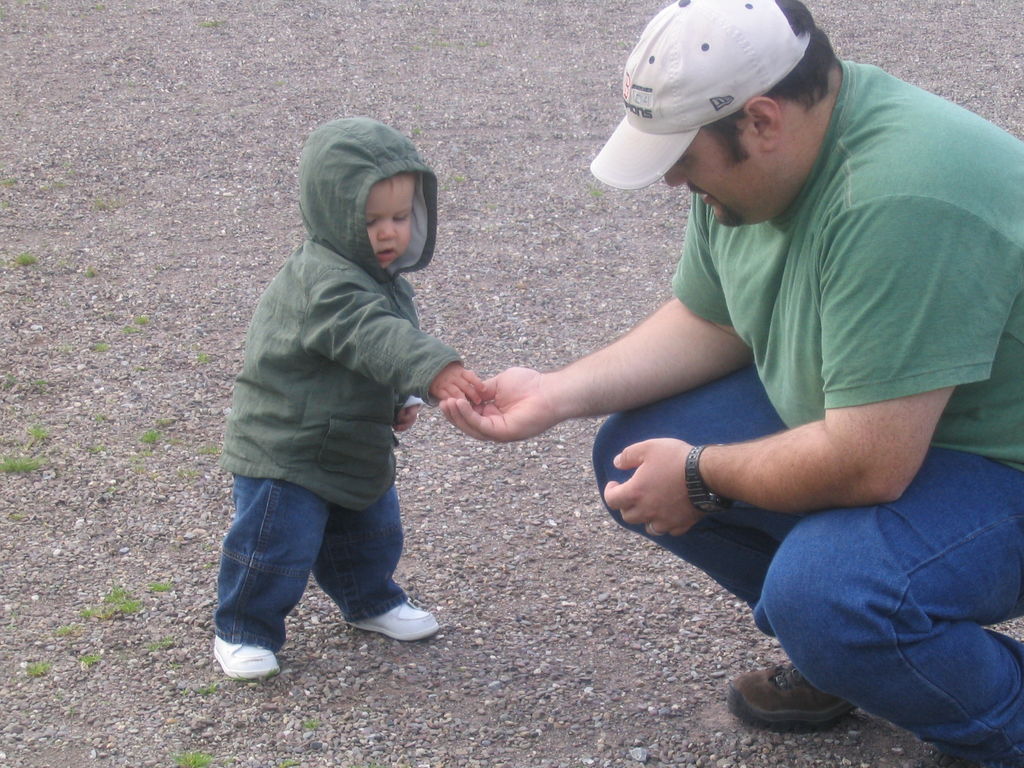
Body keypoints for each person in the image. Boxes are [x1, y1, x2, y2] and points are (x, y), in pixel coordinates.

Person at [441, 0, 1024, 765]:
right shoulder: (764, 165)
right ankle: (861, 656)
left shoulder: (897, 197)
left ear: (761, 120)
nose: (670, 178)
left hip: (997, 460)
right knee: (632, 452)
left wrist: (701, 474)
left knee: (828, 596)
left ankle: (964, 699)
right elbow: (712, 319)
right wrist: (556, 393)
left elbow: (870, 463)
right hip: (915, 427)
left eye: (683, 155)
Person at [214, 117, 483, 680]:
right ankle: (243, 629)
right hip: (286, 446)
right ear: (332, 214)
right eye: (369, 221)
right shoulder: (324, 281)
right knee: (274, 546)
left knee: (370, 532)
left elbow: (380, 348)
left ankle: (369, 599)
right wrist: (433, 370)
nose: (388, 234)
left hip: (350, 439)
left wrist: (402, 394)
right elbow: (369, 334)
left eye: (400, 218)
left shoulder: (382, 279)